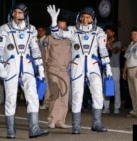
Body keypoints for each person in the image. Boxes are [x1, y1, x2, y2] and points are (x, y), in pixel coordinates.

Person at [47, 5, 111, 134]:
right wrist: (54, 21)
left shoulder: (98, 31)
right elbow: (57, 34)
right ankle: (76, 125)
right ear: (80, 17)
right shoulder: (73, 30)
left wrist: (107, 66)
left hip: (93, 65)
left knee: (98, 94)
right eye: (84, 17)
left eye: (88, 17)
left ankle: (96, 123)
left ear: (93, 19)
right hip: (77, 65)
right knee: (77, 94)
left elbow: (103, 50)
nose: (86, 20)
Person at [0, 3, 49, 138]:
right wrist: (0, 66)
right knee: (11, 98)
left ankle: (34, 128)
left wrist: (40, 67)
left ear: (25, 15)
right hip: (10, 67)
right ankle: (11, 130)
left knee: (33, 96)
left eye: (21, 13)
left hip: (27, 67)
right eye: (16, 12)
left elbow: (35, 49)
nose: (18, 15)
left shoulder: (31, 29)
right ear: (12, 13)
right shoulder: (3, 29)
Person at [41, 18, 71, 129]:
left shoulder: (68, 40)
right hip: (53, 70)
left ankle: (60, 120)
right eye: (59, 27)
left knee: (64, 95)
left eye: (64, 28)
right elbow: (44, 54)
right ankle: (52, 119)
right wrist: (45, 68)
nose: (61, 30)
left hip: (65, 71)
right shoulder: (49, 39)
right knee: (55, 94)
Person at [102, 25, 122, 114]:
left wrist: (108, 45)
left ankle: (117, 107)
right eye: (106, 32)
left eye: (109, 32)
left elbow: (115, 51)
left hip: (114, 67)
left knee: (116, 88)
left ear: (113, 33)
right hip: (106, 67)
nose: (107, 33)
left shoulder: (117, 42)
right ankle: (106, 107)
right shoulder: (103, 42)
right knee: (107, 87)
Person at [37, 26, 50, 109]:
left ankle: (46, 103)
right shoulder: (36, 40)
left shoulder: (47, 40)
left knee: (46, 85)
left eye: (42, 30)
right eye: (39, 30)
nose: (40, 32)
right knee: (39, 84)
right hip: (37, 65)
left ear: (45, 31)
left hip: (45, 65)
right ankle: (39, 101)